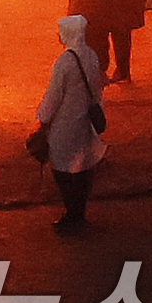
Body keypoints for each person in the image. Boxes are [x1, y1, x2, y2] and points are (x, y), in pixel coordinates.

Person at [34, 14, 106, 235]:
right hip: (84, 120)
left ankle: (72, 212)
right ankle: (79, 212)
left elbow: (54, 95)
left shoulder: (65, 61)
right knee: (83, 167)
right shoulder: (91, 56)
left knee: (62, 168)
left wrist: (43, 118)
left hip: (64, 123)